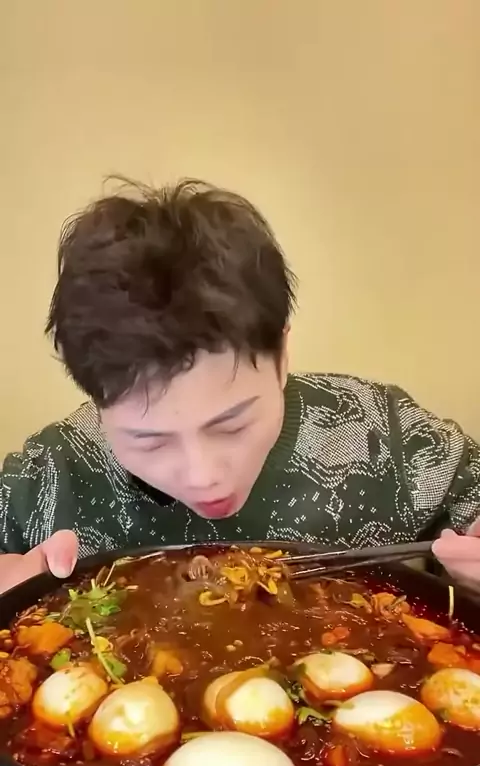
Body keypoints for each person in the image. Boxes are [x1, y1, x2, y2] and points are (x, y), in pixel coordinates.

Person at [1, 178, 480, 595]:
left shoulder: (390, 437)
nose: (203, 475)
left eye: (232, 425)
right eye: (150, 441)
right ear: (94, 399)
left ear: (282, 355)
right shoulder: (45, 479)